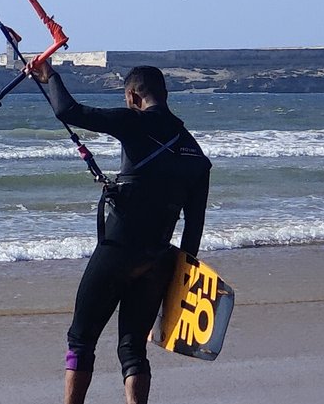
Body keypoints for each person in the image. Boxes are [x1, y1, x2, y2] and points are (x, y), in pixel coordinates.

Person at [27, 62, 212, 404]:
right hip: (158, 258)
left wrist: (49, 77)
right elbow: (194, 227)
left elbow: (68, 110)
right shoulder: (197, 155)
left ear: (132, 96)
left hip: (119, 250)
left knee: (81, 339)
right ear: (165, 94)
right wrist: (179, 279)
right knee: (132, 349)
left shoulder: (134, 122)